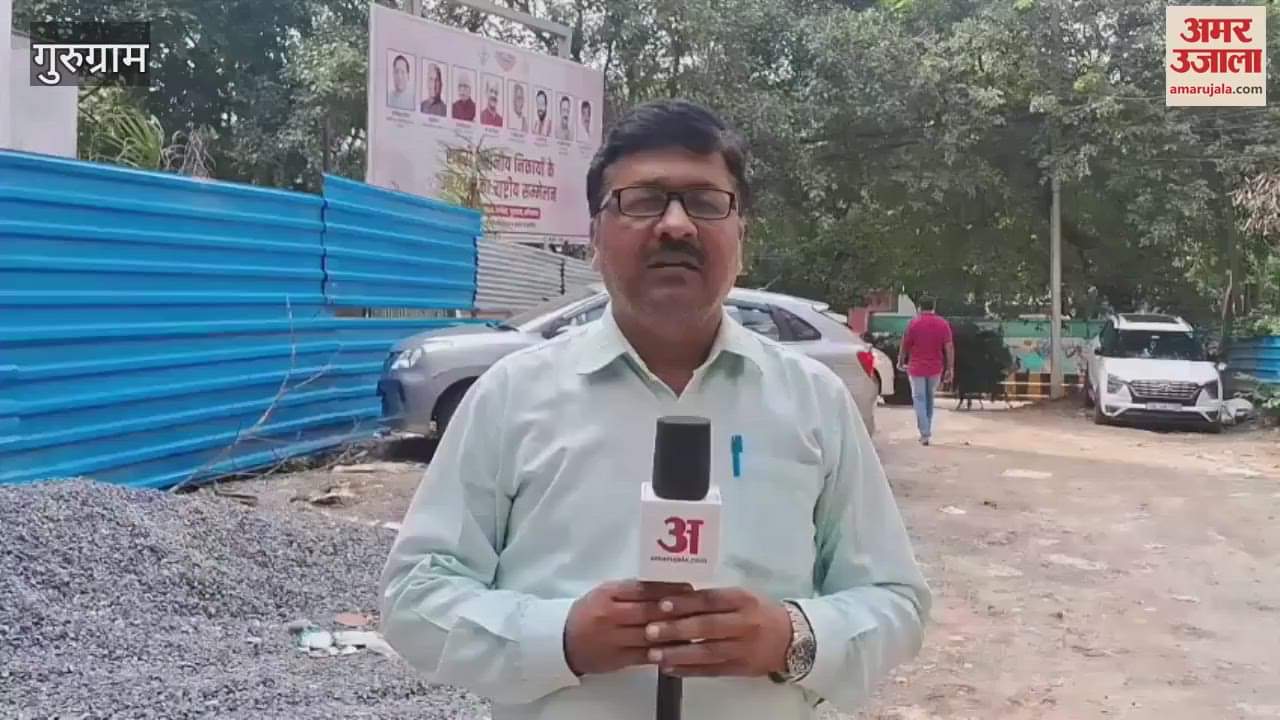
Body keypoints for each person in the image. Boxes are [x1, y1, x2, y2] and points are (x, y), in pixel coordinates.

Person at [380, 99, 930, 720]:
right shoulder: (511, 395)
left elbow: (895, 599)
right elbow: (415, 595)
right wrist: (559, 639)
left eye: (705, 201)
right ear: (594, 238)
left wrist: (793, 637)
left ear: (741, 236)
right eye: (641, 201)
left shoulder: (813, 401)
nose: (675, 225)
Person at [897, 297, 954, 446]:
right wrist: (950, 368)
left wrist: (900, 361)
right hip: (935, 367)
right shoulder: (943, 324)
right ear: (934, 307)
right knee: (929, 398)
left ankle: (925, 433)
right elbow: (948, 347)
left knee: (919, 399)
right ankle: (926, 429)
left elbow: (905, 345)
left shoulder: (913, 323)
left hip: (916, 368)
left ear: (919, 307)